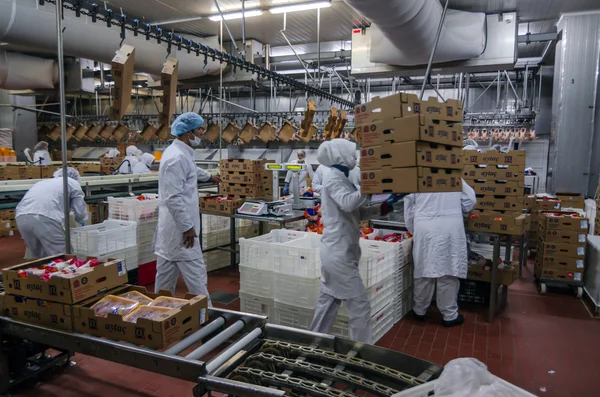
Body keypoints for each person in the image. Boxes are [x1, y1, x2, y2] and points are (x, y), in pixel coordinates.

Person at [309, 139, 389, 343]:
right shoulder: (333, 178)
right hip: (338, 254)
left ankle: (311, 343)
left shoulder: (342, 177)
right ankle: (362, 354)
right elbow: (347, 202)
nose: (355, 157)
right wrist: (368, 187)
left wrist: (382, 208)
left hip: (339, 251)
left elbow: (356, 211)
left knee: (328, 302)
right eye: (352, 154)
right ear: (340, 155)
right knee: (359, 305)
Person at [154, 112, 221, 302]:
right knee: (197, 279)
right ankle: (208, 320)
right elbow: (173, 197)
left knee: (164, 283)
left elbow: (191, 170)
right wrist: (187, 228)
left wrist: (209, 177)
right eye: (199, 129)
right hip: (182, 232)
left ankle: (161, 313)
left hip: (171, 231)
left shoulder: (180, 152)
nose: (202, 133)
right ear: (187, 133)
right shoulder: (176, 158)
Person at [403, 177, 476, 327]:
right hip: (450, 227)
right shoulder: (453, 175)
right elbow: (470, 201)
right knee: (448, 271)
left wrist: (414, 228)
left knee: (424, 270)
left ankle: (419, 310)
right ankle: (449, 315)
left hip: (424, 226)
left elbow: (409, 207)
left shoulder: (416, 175)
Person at [15, 167, 87, 258]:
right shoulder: (72, 182)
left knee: (41, 257)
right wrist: (81, 220)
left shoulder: (42, 182)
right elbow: (79, 209)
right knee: (62, 255)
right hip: (45, 216)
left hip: (21, 216)